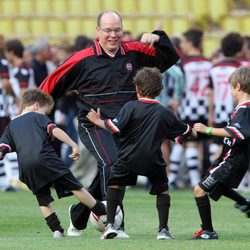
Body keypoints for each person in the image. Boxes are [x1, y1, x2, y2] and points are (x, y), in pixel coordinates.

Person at [39, 10, 179, 238]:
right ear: (97, 32)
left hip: (124, 126)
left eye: (117, 30)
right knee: (114, 164)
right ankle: (112, 225)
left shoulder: (134, 51)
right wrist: (37, 118)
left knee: (113, 167)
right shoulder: (81, 59)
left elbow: (169, 59)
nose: (113, 35)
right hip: (92, 123)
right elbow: (48, 86)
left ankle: (79, 214)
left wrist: (159, 37)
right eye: (108, 30)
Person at [86, 67, 195, 240]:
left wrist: (96, 120)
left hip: (128, 157)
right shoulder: (165, 112)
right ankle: (163, 230)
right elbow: (186, 132)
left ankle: (110, 226)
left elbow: (114, 127)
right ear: (160, 90)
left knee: (115, 185)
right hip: (153, 159)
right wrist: (193, 132)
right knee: (163, 190)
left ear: (137, 88)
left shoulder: (130, 106)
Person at [0, 89, 106, 238]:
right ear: (36, 106)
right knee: (77, 188)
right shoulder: (38, 117)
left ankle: (57, 230)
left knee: (43, 200)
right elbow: (54, 130)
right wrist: (73, 145)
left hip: (26, 167)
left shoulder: (11, 125)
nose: (45, 115)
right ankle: (105, 213)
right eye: (45, 112)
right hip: (47, 159)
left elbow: (3, 148)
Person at [191, 67, 250, 240]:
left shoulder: (244, 109)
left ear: (238, 86)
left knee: (199, 190)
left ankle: (208, 231)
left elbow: (237, 132)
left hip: (231, 160)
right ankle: (245, 202)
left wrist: (207, 129)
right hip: (228, 158)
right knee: (217, 186)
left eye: (231, 88)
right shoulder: (242, 108)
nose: (231, 92)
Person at [169, 29, 212, 188]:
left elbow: (174, 88)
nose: (182, 46)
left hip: (187, 108)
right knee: (198, 144)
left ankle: (190, 180)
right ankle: (195, 179)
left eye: (184, 43)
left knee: (187, 142)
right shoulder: (209, 63)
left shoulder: (183, 64)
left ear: (189, 43)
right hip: (205, 109)